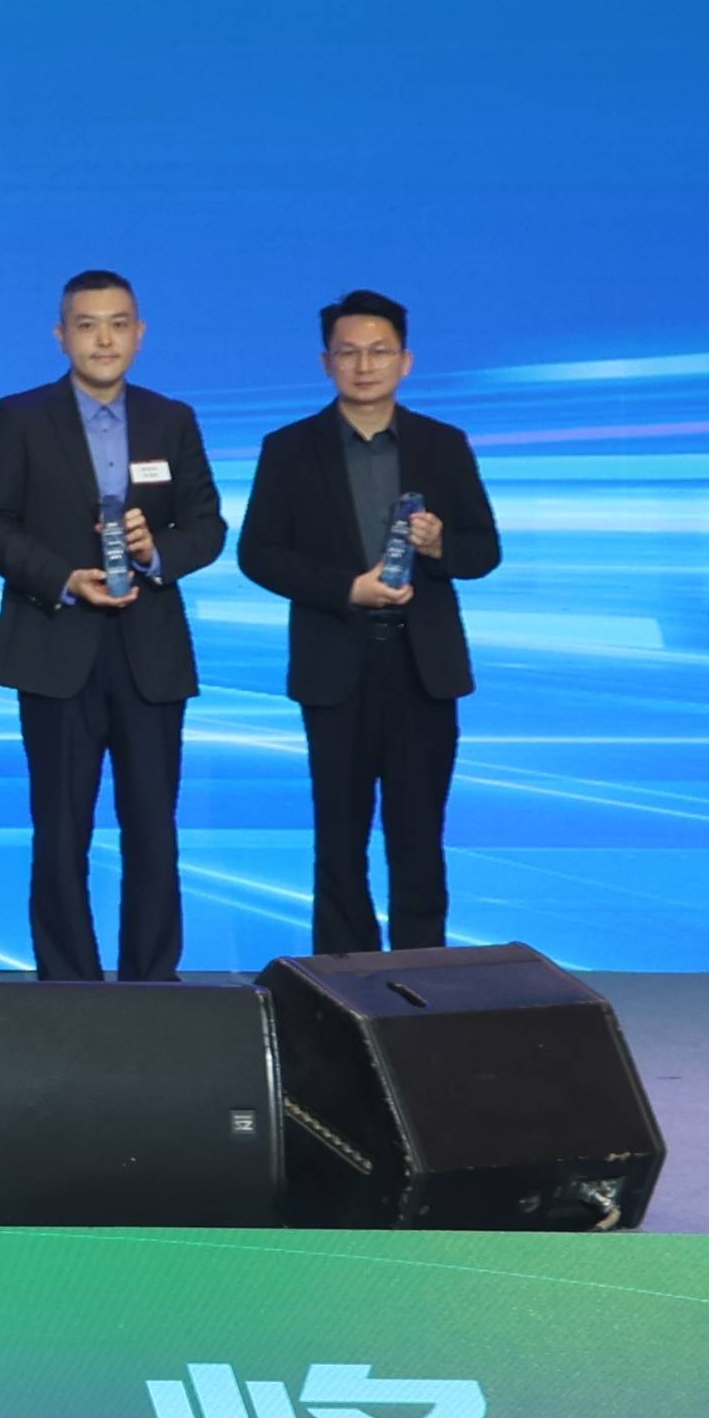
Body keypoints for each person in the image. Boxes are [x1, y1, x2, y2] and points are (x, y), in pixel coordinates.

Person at [0, 268, 228, 985]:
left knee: (154, 831)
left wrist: (156, 553)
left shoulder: (172, 419)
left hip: (150, 653)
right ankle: (68, 987)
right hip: (55, 645)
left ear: (139, 334)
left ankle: (153, 984)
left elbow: (208, 525)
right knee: (60, 831)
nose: (104, 339)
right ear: (62, 336)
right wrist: (63, 577)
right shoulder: (20, 417)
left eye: (118, 324)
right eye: (87, 325)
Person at [239, 291, 501, 956]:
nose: (364, 365)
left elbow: (483, 551)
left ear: (405, 361)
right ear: (326, 362)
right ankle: (340, 985)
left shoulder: (443, 444)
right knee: (339, 840)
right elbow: (258, 554)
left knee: (420, 840)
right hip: (336, 666)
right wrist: (345, 590)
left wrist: (440, 546)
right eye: (349, 352)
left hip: (423, 669)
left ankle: (424, 985)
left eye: (379, 351)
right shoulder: (289, 448)